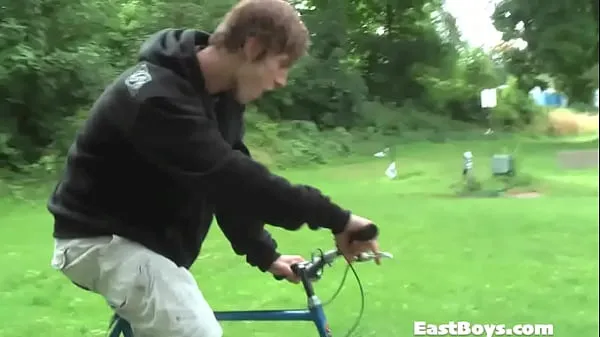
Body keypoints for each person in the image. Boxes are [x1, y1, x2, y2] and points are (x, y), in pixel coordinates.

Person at [48, 0, 381, 336]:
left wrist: (265, 254)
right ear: (253, 48)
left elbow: (229, 190)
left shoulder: (220, 100)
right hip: (99, 242)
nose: (282, 81)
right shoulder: (154, 96)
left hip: (139, 243)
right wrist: (339, 219)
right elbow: (230, 178)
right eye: (282, 65)